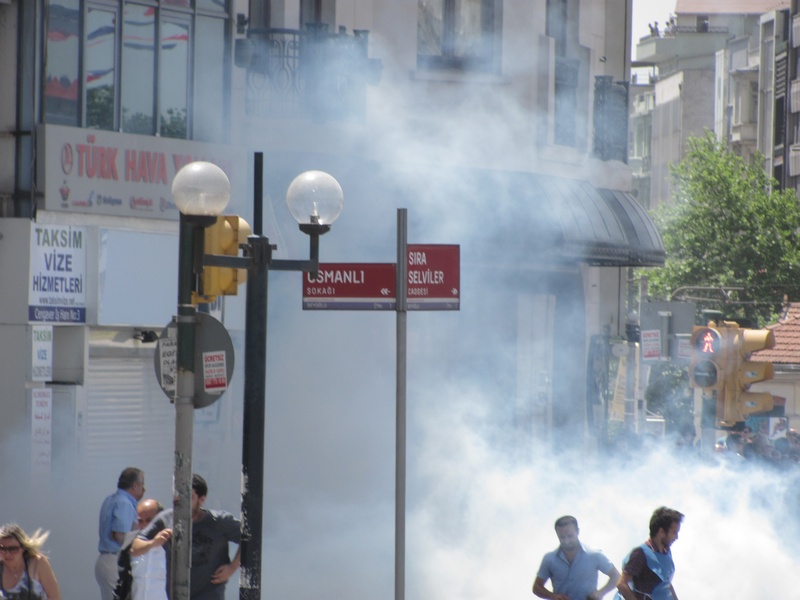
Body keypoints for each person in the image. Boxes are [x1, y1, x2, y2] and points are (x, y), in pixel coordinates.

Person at [131, 474, 241, 600]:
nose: (182, 502)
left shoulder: (219, 522)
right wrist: (153, 543)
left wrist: (232, 568)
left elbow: (249, 538)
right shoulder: (167, 519)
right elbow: (135, 548)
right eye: (178, 496)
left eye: (189, 497)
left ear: (201, 500)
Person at [533, 515, 620, 600]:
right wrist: (553, 596)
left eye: (570, 536)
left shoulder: (594, 555)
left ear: (577, 531)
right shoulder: (550, 559)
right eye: (562, 537)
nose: (566, 541)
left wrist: (601, 593)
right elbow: (537, 587)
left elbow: (616, 576)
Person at [97, 467, 146, 600]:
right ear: (134, 486)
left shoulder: (111, 499)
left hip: (106, 561)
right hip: (115, 561)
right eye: (142, 485)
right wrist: (140, 547)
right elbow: (119, 535)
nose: (144, 489)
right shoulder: (124, 503)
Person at [616, 507, 683, 600]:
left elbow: (666, 584)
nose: (676, 537)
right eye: (674, 532)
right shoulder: (640, 554)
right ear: (661, 532)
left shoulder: (666, 553)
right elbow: (621, 584)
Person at [115, 498, 166, 600]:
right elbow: (122, 579)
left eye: (149, 520)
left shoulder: (171, 544)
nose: (144, 525)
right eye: (140, 521)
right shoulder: (130, 543)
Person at [0, 522, 61, 600]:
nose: (7, 554)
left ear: (23, 548)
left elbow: (54, 597)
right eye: (2, 549)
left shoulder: (37, 563)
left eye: (13, 549)